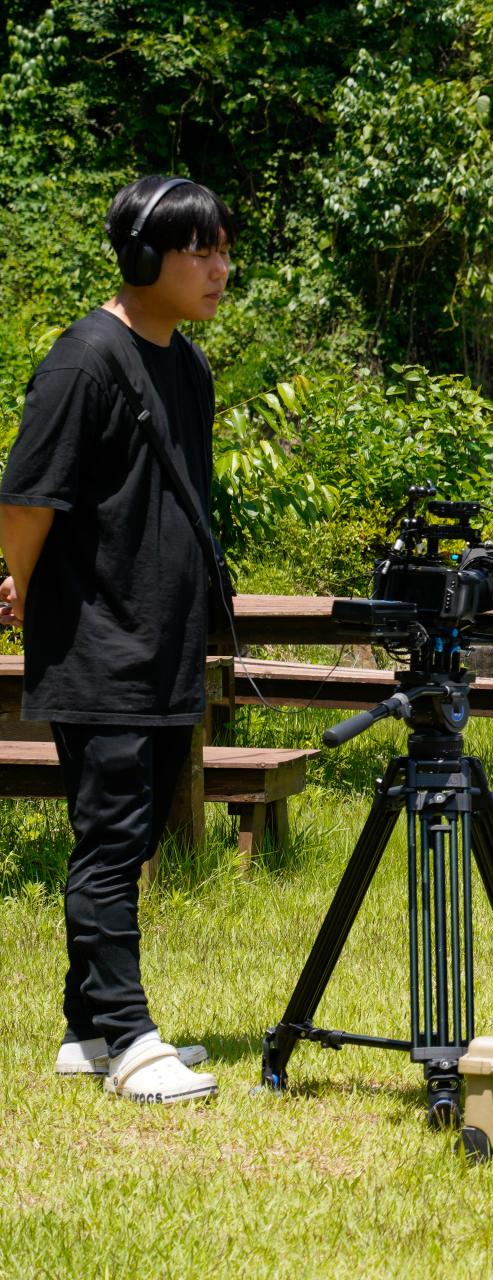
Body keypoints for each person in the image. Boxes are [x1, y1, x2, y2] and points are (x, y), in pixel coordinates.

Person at [0, 176, 236, 1104]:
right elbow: (27, 499)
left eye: (224, 251)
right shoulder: (82, 363)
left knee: (128, 838)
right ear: (144, 259)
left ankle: (88, 1030)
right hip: (96, 639)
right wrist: (21, 582)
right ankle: (133, 1039)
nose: (219, 269)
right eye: (200, 251)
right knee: (108, 841)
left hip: (165, 642)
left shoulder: (188, 367)